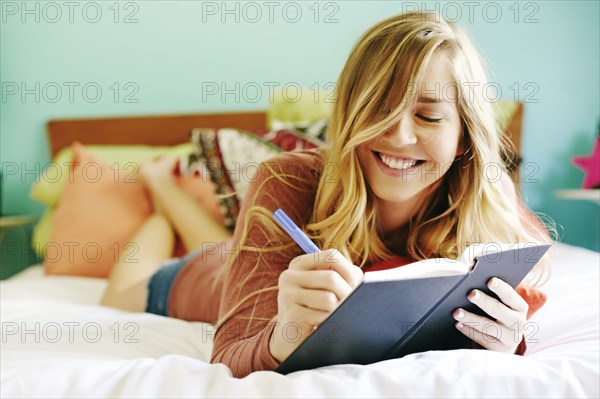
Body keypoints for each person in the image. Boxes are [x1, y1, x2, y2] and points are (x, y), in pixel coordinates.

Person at [101, 11, 553, 378]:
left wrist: (510, 342)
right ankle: (162, 188)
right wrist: (285, 335)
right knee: (122, 291)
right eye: (378, 107)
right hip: (204, 279)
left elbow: (518, 309)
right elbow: (230, 355)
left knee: (225, 241)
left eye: (429, 117)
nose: (398, 135)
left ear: (463, 137)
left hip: (246, 252)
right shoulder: (288, 182)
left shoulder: (489, 201)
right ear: (349, 114)